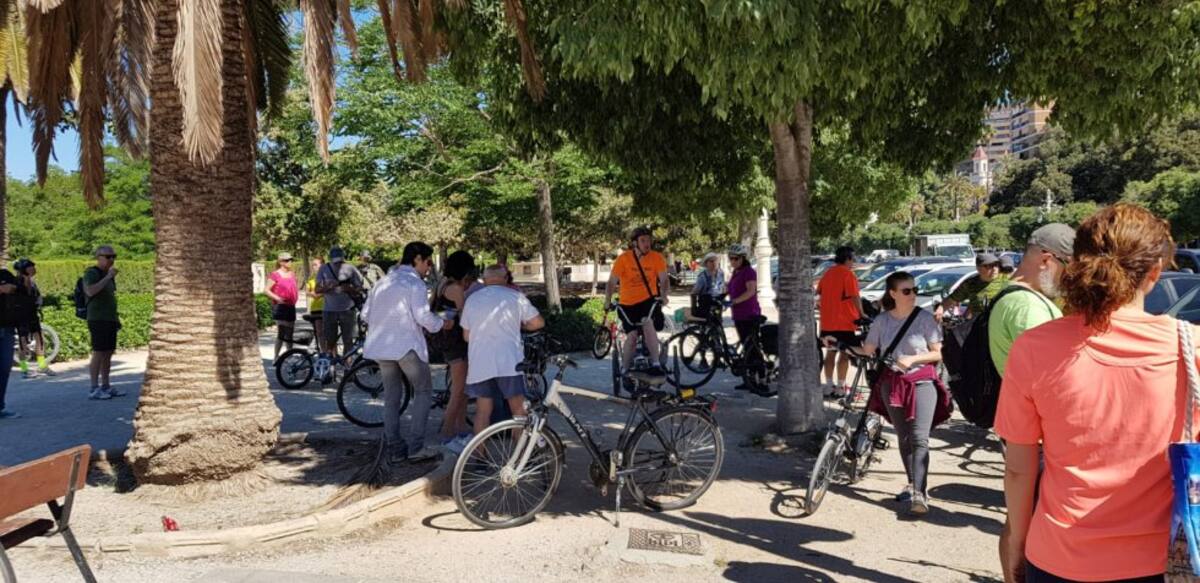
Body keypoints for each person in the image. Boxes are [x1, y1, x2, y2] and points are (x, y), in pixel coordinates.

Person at [996, 204, 1194, 583]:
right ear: (1154, 272)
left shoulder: (1033, 348)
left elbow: (1019, 468)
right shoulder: (1190, 348)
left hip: (1057, 555)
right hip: (1163, 560)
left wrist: (1017, 541)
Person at [857, 271, 951, 516]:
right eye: (907, 291)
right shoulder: (882, 321)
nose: (913, 295)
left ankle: (920, 492)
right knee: (904, 436)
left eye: (914, 290)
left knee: (919, 437)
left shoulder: (925, 318)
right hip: (892, 383)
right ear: (893, 293)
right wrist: (838, 342)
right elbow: (868, 350)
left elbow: (938, 353)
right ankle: (912, 483)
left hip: (922, 381)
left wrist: (913, 359)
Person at [361, 241, 453, 464]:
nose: (429, 268)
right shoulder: (414, 283)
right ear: (417, 259)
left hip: (381, 347)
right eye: (428, 262)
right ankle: (415, 447)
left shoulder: (382, 282)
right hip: (406, 346)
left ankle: (394, 448)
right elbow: (422, 317)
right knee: (423, 391)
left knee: (392, 397)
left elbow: (365, 314)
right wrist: (442, 323)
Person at [460, 265, 545, 445]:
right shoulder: (515, 297)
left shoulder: (472, 299)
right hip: (509, 361)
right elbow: (538, 323)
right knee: (518, 411)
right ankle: (519, 454)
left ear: (484, 279)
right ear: (505, 278)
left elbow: (466, 336)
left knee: (483, 412)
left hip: (480, 361)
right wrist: (519, 326)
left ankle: (479, 456)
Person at [988, 224, 1075, 377]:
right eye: (1069, 269)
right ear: (1045, 260)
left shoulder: (1010, 294)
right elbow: (1052, 375)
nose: (1071, 278)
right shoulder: (1028, 306)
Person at [604, 227, 669, 378]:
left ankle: (656, 364)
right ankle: (625, 370)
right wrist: (607, 300)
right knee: (632, 335)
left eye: (649, 240)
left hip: (648, 301)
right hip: (627, 304)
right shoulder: (623, 259)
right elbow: (612, 282)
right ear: (635, 243)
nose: (647, 244)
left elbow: (664, 279)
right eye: (643, 240)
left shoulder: (657, 258)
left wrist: (664, 295)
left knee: (648, 323)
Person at [432, 251, 475, 443]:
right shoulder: (456, 288)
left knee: (462, 388)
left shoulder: (442, 283)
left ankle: (461, 426)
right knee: (458, 389)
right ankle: (447, 431)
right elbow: (466, 317)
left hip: (447, 342)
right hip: (457, 343)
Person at [817, 246, 863, 398]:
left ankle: (828, 385)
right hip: (845, 322)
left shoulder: (828, 273)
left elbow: (819, 293)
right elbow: (854, 296)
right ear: (848, 259)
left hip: (828, 322)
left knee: (830, 353)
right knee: (844, 354)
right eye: (853, 258)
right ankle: (840, 386)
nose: (854, 261)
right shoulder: (848, 274)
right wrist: (862, 313)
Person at [83, 246, 126, 400]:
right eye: (108, 256)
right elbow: (90, 291)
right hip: (97, 318)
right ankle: (94, 388)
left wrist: (116, 318)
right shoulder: (92, 273)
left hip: (109, 318)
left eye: (114, 256)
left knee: (108, 352)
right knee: (99, 352)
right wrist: (108, 277)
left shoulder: (109, 274)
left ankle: (106, 385)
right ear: (99, 257)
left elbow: (110, 297)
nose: (112, 259)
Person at [317, 246, 364, 358]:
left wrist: (349, 289)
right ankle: (332, 364)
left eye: (340, 261)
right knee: (330, 340)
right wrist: (328, 287)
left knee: (348, 340)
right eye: (336, 262)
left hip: (347, 310)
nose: (338, 264)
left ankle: (347, 365)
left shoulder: (351, 268)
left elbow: (359, 289)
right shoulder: (324, 268)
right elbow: (317, 290)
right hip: (329, 310)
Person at [12, 259, 54, 378]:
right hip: (21, 316)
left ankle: (42, 365)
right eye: (31, 267)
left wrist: (39, 300)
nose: (34, 269)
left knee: (40, 340)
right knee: (23, 342)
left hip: (32, 314)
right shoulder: (17, 282)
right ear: (24, 269)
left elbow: (36, 295)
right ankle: (24, 369)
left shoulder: (32, 281)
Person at [937, 253, 1009, 319]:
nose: (994, 269)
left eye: (996, 265)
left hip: (1003, 321)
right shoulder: (970, 284)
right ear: (978, 268)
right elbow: (952, 299)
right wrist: (940, 309)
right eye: (989, 266)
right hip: (981, 324)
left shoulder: (1006, 279)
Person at [265, 252, 300, 360]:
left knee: (290, 334)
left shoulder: (292, 274)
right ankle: (276, 357)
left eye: (291, 260)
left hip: (291, 306)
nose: (290, 262)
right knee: (281, 332)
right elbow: (266, 290)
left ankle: (290, 356)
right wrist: (278, 298)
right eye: (287, 260)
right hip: (280, 307)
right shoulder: (275, 275)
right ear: (281, 262)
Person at [0, 262, 21, 418]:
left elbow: (20, 289)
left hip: (6, 327)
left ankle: (0, 406)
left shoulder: (5, 274)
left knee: (4, 368)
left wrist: (13, 287)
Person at [690, 252, 726, 321]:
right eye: (711, 261)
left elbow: (722, 287)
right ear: (706, 264)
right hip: (706, 305)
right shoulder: (702, 276)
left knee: (718, 322)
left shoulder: (721, 273)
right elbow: (694, 292)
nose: (714, 263)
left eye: (715, 261)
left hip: (718, 304)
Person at [306, 257, 326, 353]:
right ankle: (323, 351)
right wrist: (313, 294)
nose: (313, 267)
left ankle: (329, 352)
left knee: (327, 332)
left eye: (315, 265)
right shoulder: (311, 280)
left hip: (326, 308)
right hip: (315, 308)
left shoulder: (326, 278)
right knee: (319, 332)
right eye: (312, 265)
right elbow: (307, 291)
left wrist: (320, 294)